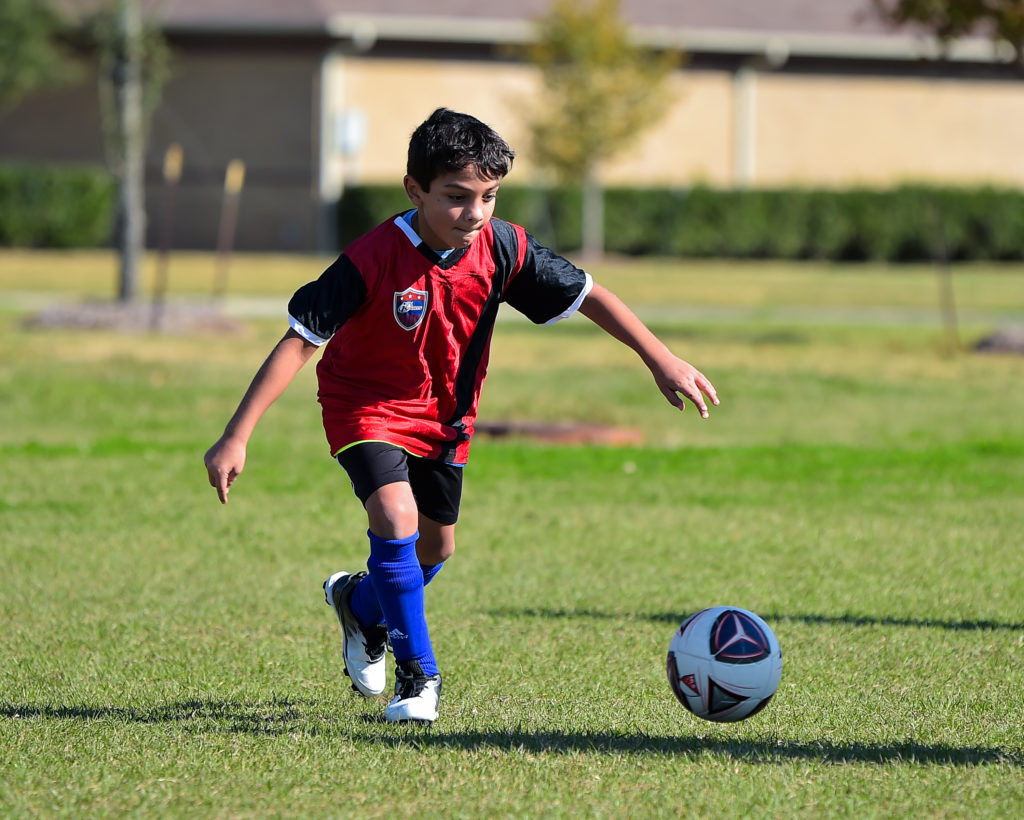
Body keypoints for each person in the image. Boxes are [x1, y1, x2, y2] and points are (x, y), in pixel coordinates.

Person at [204, 107, 718, 726]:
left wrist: (660, 359)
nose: (475, 213)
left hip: (447, 419)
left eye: (489, 196)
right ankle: (420, 678)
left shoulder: (502, 247)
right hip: (364, 406)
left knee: (433, 548)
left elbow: (589, 295)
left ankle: (358, 605)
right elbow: (299, 339)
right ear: (414, 190)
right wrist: (237, 434)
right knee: (395, 517)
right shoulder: (371, 258)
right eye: (456, 197)